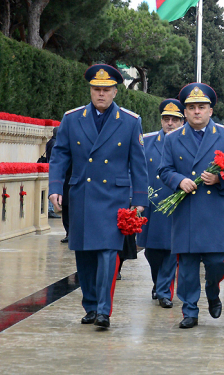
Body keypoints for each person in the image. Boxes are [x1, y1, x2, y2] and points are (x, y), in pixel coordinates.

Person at [48, 64, 149, 329]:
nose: (100, 94)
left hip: (113, 197)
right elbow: (60, 155)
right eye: (96, 89)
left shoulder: (130, 121)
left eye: (106, 90)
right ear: (90, 91)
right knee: (85, 254)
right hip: (82, 195)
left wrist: (139, 200)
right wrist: (56, 187)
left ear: (115, 91)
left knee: (107, 254)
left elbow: (138, 163)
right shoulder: (72, 118)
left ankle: (104, 310)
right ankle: (90, 305)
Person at [157, 83, 224, 329]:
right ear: (185, 112)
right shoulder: (173, 139)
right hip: (187, 210)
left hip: (215, 210)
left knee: (217, 263)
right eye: (191, 107)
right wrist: (178, 180)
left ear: (210, 111)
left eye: (201, 107)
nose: (196, 112)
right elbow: (164, 169)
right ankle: (190, 310)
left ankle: (213, 291)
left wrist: (219, 178)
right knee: (187, 267)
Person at [137, 99, 184, 308]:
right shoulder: (146, 142)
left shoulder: (188, 143)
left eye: (175, 119)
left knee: (172, 250)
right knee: (151, 251)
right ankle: (158, 282)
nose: (170, 123)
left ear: (182, 121)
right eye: (166, 119)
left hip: (177, 203)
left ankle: (165, 290)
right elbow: (136, 171)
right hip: (152, 205)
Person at [45, 128, 61, 219]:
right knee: (52, 189)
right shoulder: (55, 143)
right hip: (52, 168)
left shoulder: (50, 141)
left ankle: (50, 209)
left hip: (49, 167)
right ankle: (50, 209)